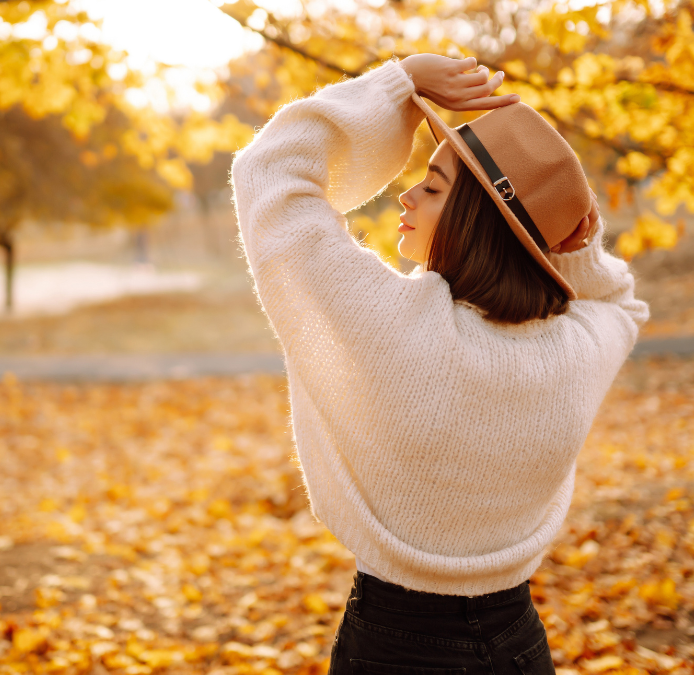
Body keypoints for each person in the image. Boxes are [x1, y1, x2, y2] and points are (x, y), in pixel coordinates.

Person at [230, 53, 649, 674]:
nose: (407, 192)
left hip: (397, 648)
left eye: (431, 187)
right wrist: (572, 246)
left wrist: (399, 83)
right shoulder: (576, 352)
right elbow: (618, 299)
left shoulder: (391, 325)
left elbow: (269, 171)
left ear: (476, 222)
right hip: (519, 647)